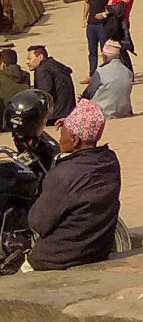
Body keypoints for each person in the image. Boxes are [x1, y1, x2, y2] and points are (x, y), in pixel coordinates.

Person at [22, 100, 121, 271]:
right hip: (97, 252)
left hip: (57, 259)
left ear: (74, 140)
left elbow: (37, 223)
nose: (60, 139)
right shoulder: (110, 162)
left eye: (63, 133)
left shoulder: (64, 174)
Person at [25, 44, 76, 123]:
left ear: (40, 57)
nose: (27, 62)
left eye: (30, 59)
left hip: (54, 116)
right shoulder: (55, 65)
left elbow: (43, 93)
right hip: (68, 111)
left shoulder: (43, 70)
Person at [84, 40, 134, 117]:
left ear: (105, 56)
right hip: (124, 111)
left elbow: (88, 93)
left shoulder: (100, 72)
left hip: (102, 113)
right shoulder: (128, 72)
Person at [81, 0, 112, 79]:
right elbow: (87, 2)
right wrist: (84, 18)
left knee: (105, 50)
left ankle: (107, 74)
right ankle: (92, 74)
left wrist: (105, 14)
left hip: (104, 24)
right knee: (92, 51)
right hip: (91, 24)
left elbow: (113, 4)